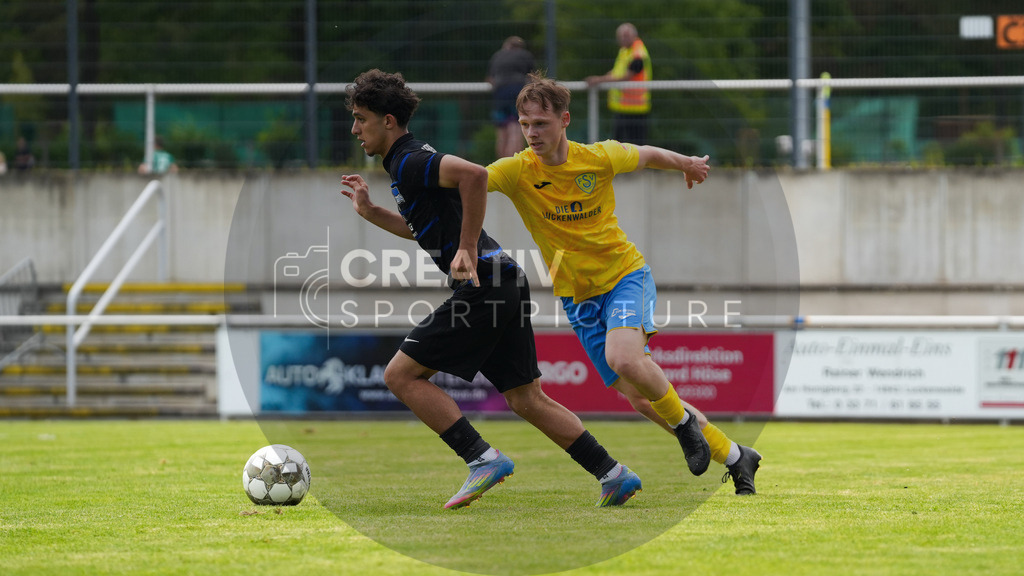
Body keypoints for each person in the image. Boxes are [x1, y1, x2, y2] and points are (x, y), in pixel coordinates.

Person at [339, 69, 642, 509]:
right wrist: (371, 212)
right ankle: (613, 474)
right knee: (526, 398)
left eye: (360, 118)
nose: (354, 129)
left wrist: (465, 247)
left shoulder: (409, 159)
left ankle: (481, 458)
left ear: (388, 121)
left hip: (484, 286)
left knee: (400, 376)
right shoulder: (404, 162)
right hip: (504, 279)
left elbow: (476, 176)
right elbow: (422, 229)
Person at [485, 73, 762, 495]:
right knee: (638, 397)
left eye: (540, 123)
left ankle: (686, 423)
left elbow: (647, 154)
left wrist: (685, 163)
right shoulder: (516, 171)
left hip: (624, 276)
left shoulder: (598, 157)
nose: (530, 133)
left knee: (625, 358)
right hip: (577, 298)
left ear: (565, 120)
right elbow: (465, 182)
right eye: (524, 124)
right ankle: (737, 456)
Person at [585, 23, 652, 145]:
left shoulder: (638, 53)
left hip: (635, 108)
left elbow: (627, 75)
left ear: (634, 36)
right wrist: (605, 77)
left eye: (626, 35)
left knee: (637, 146)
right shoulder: (625, 51)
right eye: (620, 36)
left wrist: (600, 80)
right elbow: (617, 72)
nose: (623, 38)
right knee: (619, 145)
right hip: (623, 107)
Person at [487, 36, 535, 158]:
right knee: (516, 129)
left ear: (506, 45)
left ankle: (502, 167)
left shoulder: (497, 56)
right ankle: (513, 163)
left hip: (499, 95)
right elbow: (533, 77)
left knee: (501, 133)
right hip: (517, 92)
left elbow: (490, 79)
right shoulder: (525, 55)